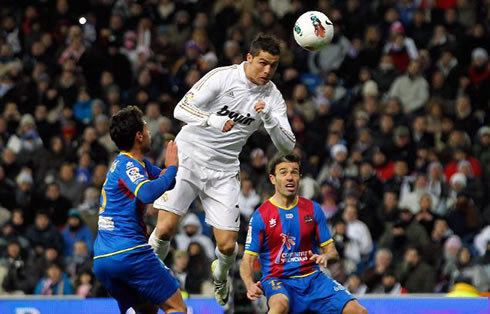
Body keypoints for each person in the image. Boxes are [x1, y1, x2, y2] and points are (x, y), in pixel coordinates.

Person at [149, 34, 296, 305]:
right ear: (249, 58)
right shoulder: (222, 77)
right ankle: (144, 282)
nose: (267, 71)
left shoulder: (272, 96)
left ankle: (221, 273)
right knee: (166, 229)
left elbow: (287, 146)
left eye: (273, 65)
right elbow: (181, 109)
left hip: (225, 169)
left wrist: (270, 120)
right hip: (189, 157)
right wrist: (212, 121)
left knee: (228, 246)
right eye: (263, 63)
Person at [240, 154, 367, 314]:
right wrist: (249, 284)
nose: (289, 177)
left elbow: (332, 251)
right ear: (273, 179)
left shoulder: (313, 209)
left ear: (299, 178)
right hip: (278, 280)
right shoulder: (261, 215)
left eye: (294, 172)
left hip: (313, 279)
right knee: (279, 305)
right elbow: (247, 260)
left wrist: (326, 257)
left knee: (358, 311)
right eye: (283, 172)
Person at [93, 106, 186, 314]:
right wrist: (171, 167)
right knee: (177, 307)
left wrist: (173, 167)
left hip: (104, 259)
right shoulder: (129, 165)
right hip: (129, 253)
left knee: (147, 310)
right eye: (146, 128)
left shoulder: (133, 164)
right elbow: (146, 193)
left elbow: (166, 182)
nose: (149, 132)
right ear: (139, 136)